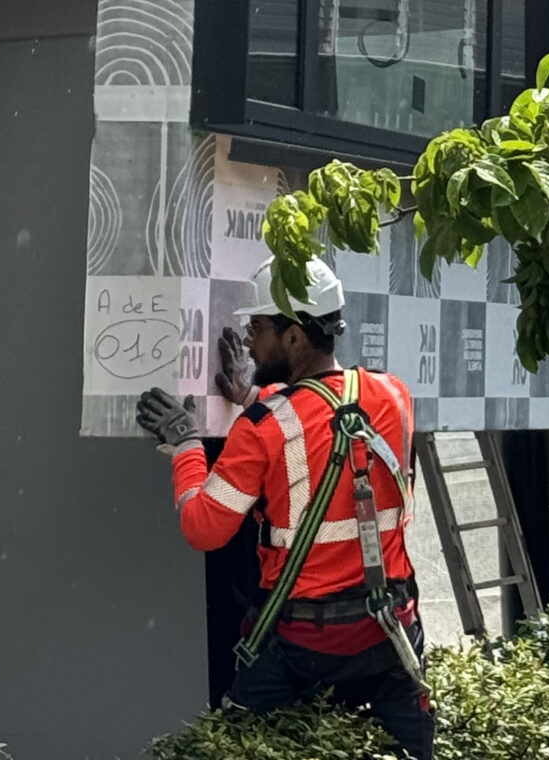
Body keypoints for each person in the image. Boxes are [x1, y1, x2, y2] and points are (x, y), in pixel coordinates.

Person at [137, 257, 431, 758]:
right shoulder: (394, 395)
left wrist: (186, 444)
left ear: (294, 337)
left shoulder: (263, 427)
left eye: (258, 328)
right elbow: (329, 417)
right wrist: (251, 392)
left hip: (306, 646)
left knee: (229, 743)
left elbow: (203, 527)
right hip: (390, 630)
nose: (248, 341)